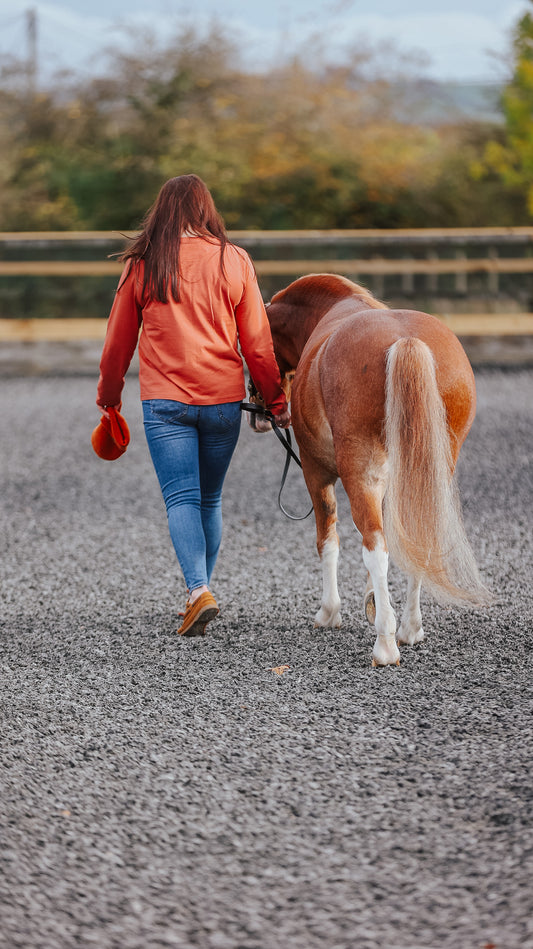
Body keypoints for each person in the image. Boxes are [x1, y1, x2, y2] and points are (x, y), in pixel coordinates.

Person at [96, 174, 290, 637]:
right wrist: (276, 399)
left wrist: (108, 399)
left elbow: (117, 344)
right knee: (209, 498)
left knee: (181, 497)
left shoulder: (144, 262)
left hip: (164, 402)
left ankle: (198, 590)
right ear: (207, 210)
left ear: (161, 210)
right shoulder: (234, 259)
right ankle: (200, 590)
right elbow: (258, 345)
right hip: (223, 401)